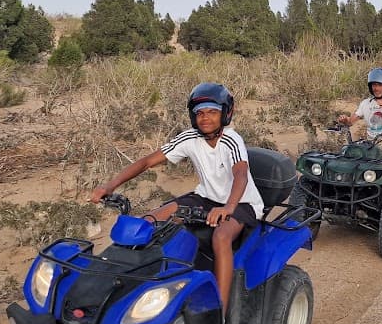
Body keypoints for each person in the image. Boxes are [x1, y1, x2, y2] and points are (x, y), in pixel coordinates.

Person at [89, 82, 263, 311]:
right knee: (151, 220)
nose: (205, 118)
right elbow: (147, 162)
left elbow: (240, 174)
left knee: (220, 237)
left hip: (241, 202)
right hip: (206, 197)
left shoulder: (231, 140)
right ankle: (119, 285)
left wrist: (229, 208)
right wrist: (109, 186)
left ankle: (218, 310)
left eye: (212, 112)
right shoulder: (189, 138)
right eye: (199, 113)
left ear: (225, 113)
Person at [337, 67, 382, 162]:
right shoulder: (365, 103)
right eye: (374, 85)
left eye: (380, 85)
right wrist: (345, 120)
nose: (376, 88)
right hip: (370, 143)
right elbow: (351, 122)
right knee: (348, 155)